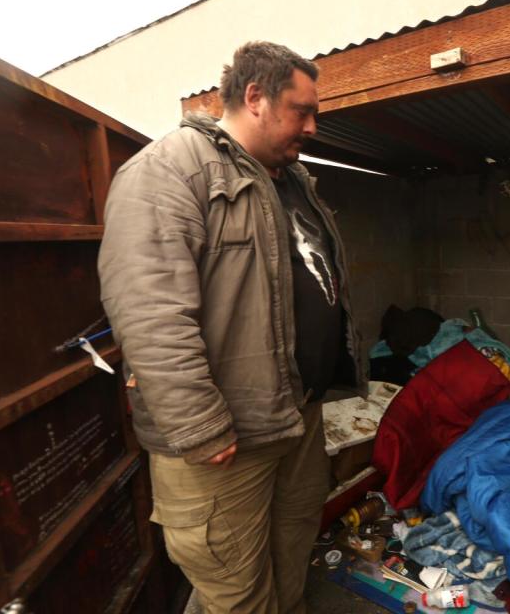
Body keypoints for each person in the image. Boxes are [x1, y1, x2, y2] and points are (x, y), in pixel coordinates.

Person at [98, 41, 364, 613]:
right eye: (303, 110)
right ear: (255, 98)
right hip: (227, 441)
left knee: (290, 559)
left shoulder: (292, 181)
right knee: (236, 593)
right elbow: (149, 313)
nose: (314, 127)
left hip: (295, 418)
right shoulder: (170, 171)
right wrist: (201, 426)